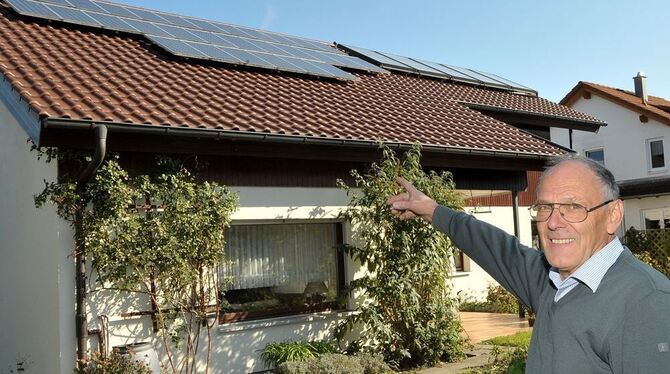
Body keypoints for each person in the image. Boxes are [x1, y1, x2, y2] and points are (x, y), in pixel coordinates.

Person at [387, 154, 670, 373]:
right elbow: (496, 248)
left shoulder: (646, 303)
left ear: (613, 215)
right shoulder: (551, 282)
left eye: (573, 207)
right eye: (545, 207)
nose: (554, 222)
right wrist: (433, 211)